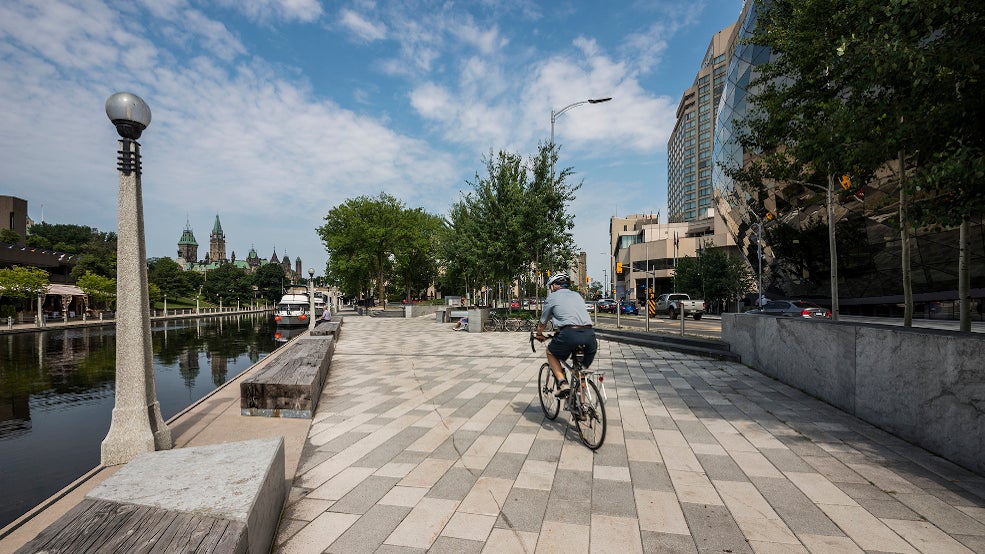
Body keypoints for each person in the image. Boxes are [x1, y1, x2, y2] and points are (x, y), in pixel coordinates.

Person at [535, 272, 597, 398]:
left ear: (554, 286)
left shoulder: (552, 298)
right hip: (590, 336)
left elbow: (543, 322)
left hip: (569, 334)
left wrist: (539, 334)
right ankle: (583, 408)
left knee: (550, 352)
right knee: (579, 372)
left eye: (550, 287)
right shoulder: (577, 295)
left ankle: (563, 383)